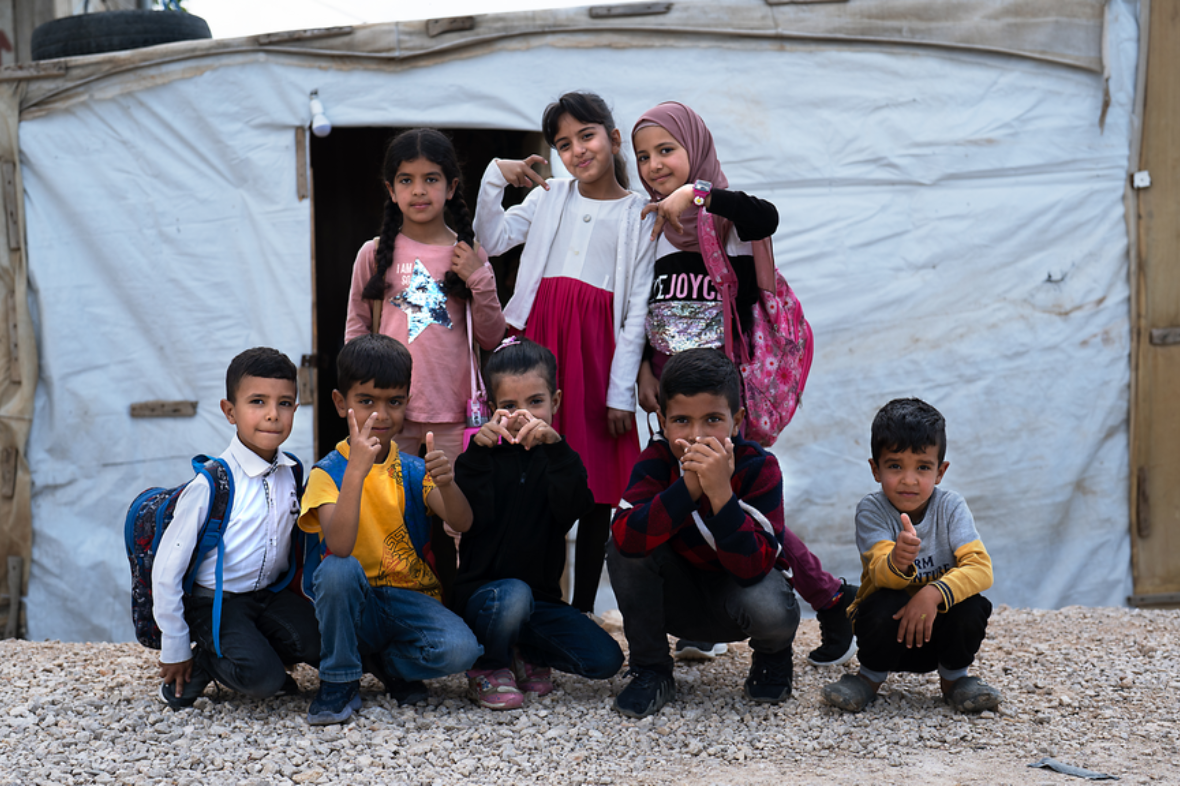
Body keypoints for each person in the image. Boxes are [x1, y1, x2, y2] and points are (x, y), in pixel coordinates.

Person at [630, 100, 855, 667]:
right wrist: (639, 369)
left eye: (667, 150)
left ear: (696, 151)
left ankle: (829, 599)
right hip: (674, 401)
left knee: (745, 507)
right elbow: (635, 309)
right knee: (688, 498)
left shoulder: (724, 219)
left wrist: (698, 196)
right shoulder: (647, 228)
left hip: (730, 403)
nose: (655, 165)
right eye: (643, 156)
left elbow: (766, 217)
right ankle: (713, 616)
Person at [474, 91, 656, 615]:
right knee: (531, 470)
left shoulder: (640, 215)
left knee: (598, 482)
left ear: (613, 138)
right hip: (542, 345)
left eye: (587, 135)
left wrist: (621, 390)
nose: (577, 150)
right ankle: (538, 600)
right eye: (563, 143)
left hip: (599, 356)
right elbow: (493, 238)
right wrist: (495, 178)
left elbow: (638, 307)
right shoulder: (550, 195)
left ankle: (581, 609)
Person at [608, 348, 814, 719]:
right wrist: (687, 490)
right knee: (624, 543)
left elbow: (754, 567)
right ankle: (651, 669)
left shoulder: (758, 467)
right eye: (682, 421)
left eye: (713, 419)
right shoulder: (656, 460)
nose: (697, 435)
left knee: (770, 607)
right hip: (678, 604)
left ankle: (772, 655)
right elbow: (625, 539)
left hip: (737, 601)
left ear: (737, 421)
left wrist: (720, 494)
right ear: (663, 422)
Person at [298, 334, 482, 725]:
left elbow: (462, 522)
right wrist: (357, 473)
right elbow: (341, 545)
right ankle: (339, 679)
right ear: (340, 403)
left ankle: (390, 664)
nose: (381, 415)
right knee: (335, 569)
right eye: (366, 401)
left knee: (461, 650)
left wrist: (446, 483)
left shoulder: (413, 470)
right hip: (351, 603)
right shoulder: (325, 474)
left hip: (406, 599)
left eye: (394, 402)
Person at [453, 337, 625, 710]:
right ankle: (489, 665)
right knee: (513, 594)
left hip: (539, 603)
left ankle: (524, 649)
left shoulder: (562, 459)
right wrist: (478, 455)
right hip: (486, 598)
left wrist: (557, 449)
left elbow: (574, 507)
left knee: (605, 660)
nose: (524, 415)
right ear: (492, 409)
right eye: (509, 406)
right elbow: (469, 517)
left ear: (556, 402)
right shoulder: (480, 458)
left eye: (536, 402)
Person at [153, 347, 320, 709]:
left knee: (321, 641)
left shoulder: (291, 471)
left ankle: (255, 650)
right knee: (263, 681)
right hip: (215, 603)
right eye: (257, 402)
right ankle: (205, 662)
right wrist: (175, 645)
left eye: (286, 403)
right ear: (230, 411)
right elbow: (167, 571)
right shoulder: (211, 485)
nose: (273, 415)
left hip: (266, 597)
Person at [821, 398, 1001, 713]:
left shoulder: (951, 507)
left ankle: (955, 680)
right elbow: (879, 571)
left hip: (938, 634)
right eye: (895, 465)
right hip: (890, 635)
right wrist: (897, 560)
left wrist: (932, 593)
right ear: (875, 469)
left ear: (940, 471)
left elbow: (981, 568)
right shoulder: (872, 510)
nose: (908, 479)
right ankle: (869, 678)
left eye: (922, 467)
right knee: (879, 603)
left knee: (972, 606)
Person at [345, 127, 505, 466]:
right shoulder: (372, 255)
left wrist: (479, 276)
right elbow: (356, 335)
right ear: (390, 189)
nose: (418, 190)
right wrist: (361, 402)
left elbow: (491, 338)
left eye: (431, 179)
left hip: (455, 412)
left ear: (452, 188)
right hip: (387, 412)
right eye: (405, 180)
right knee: (391, 509)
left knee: (454, 513)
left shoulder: (471, 255)